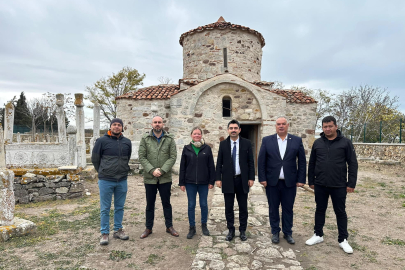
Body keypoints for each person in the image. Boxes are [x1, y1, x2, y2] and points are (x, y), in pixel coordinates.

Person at [306, 116, 358, 254]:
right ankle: (318, 235)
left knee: (340, 212)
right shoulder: (317, 143)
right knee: (320, 209)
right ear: (322, 128)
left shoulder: (346, 143)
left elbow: (352, 163)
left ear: (336, 126)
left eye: (330, 126)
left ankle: (343, 240)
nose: (327, 129)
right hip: (320, 184)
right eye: (325, 127)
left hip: (339, 184)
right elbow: (312, 163)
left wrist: (351, 183)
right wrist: (311, 181)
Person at [258, 117, 306, 244]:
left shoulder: (296, 140)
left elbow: (301, 162)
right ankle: (275, 232)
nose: (281, 126)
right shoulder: (267, 140)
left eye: (283, 124)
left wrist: (301, 179)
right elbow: (261, 161)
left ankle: (287, 232)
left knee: (288, 208)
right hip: (272, 182)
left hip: (289, 182)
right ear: (275, 126)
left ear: (287, 125)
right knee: (273, 208)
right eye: (278, 124)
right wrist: (262, 178)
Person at [92, 118, 132, 245]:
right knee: (105, 208)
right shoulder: (101, 141)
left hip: (122, 180)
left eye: (119, 125)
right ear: (110, 127)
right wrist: (103, 171)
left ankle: (118, 230)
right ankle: (104, 233)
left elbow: (127, 158)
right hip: (106, 180)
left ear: (122, 127)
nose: (116, 127)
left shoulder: (127, 142)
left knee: (119, 207)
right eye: (114, 125)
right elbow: (95, 159)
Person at [138, 116, 178, 238]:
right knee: (150, 204)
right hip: (150, 178)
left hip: (165, 178)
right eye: (155, 122)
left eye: (159, 122)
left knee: (166, 203)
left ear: (162, 124)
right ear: (152, 124)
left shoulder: (169, 139)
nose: (157, 124)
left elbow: (173, 156)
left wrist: (162, 170)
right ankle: (148, 228)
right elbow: (142, 156)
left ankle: (169, 226)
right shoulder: (145, 139)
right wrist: (151, 170)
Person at [216, 119, 255, 241]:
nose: (233, 130)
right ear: (228, 130)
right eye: (231, 128)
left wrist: (251, 177)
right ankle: (231, 230)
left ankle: (242, 230)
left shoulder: (246, 143)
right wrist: (218, 178)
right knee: (228, 207)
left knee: (243, 207)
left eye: (235, 128)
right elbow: (219, 163)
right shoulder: (223, 144)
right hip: (228, 180)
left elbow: (250, 162)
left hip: (242, 180)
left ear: (239, 130)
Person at [179, 127, 216, 239]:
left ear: (201, 135)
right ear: (191, 135)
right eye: (195, 134)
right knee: (191, 205)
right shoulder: (186, 149)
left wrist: (211, 181)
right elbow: (182, 167)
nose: (197, 136)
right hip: (190, 182)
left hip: (204, 182)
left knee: (204, 204)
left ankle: (204, 225)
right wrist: (182, 183)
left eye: (199, 134)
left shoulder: (207, 149)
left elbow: (211, 166)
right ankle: (192, 227)